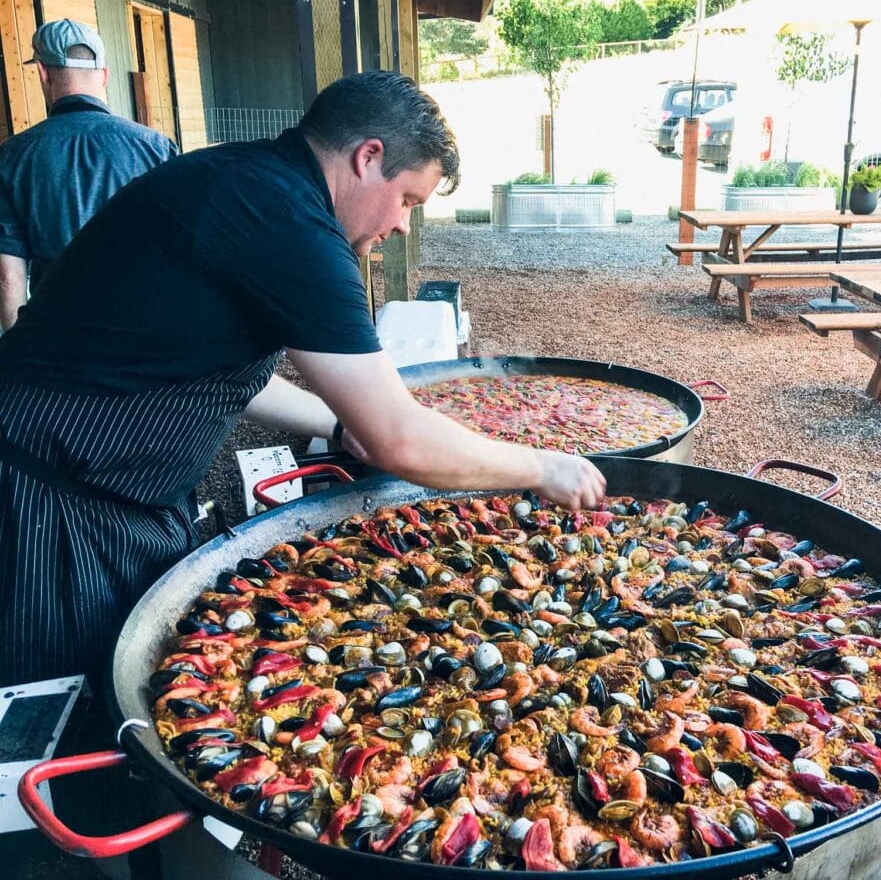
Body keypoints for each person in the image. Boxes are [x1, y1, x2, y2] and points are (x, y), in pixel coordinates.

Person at [0, 69, 605, 691]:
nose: (401, 225)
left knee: (127, 681)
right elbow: (398, 438)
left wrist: (339, 425)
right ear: (369, 157)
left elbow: (220, 372)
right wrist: (543, 466)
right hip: (47, 503)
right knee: (59, 706)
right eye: (409, 201)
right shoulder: (289, 225)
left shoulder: (244, 181)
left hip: (106, 491)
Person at [0, 19, 176, 329]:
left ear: (42, 72)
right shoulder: (157, 148)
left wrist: (21, 353)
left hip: (59, 332)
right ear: (105, 75)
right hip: (144, 328)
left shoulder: (12, 156)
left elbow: (7, 277)